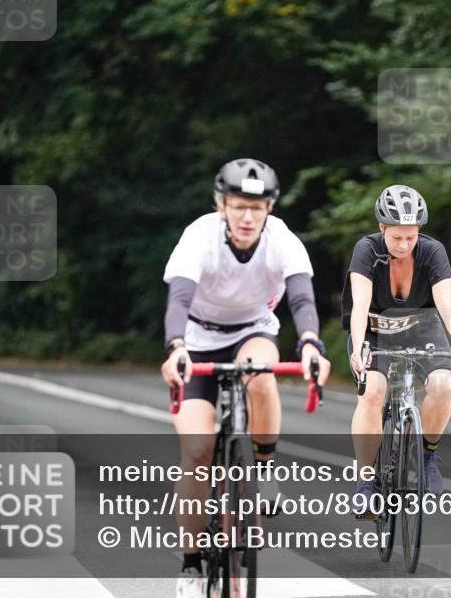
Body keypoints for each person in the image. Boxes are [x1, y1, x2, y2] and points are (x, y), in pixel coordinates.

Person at [160, 158, 331, 598]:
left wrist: (311, 343)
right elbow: (178, 297)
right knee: (196, 454)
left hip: (253, 330)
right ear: (222, 205)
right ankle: (192, 565)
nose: (248, 216)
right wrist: (176, 347)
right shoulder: (199, 236)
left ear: (270, 207)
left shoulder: (283, 241)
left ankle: (265, 468)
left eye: (257, 207)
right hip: (197, 339)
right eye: (238, 206)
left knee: (260, 376)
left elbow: (302, 298)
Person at [342, 185, 451, 512]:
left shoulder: (432, 252)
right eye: (396, 237)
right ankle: (365, 482)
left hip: (421, 328)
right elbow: (359, 305)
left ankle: (427, 457)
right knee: (371, 392)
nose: (404, 245)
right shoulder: (366, 249)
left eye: (411, 238)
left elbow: (445, 305)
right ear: (382, 229)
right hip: (374, 330)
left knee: (444, 386)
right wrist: (359, 347)